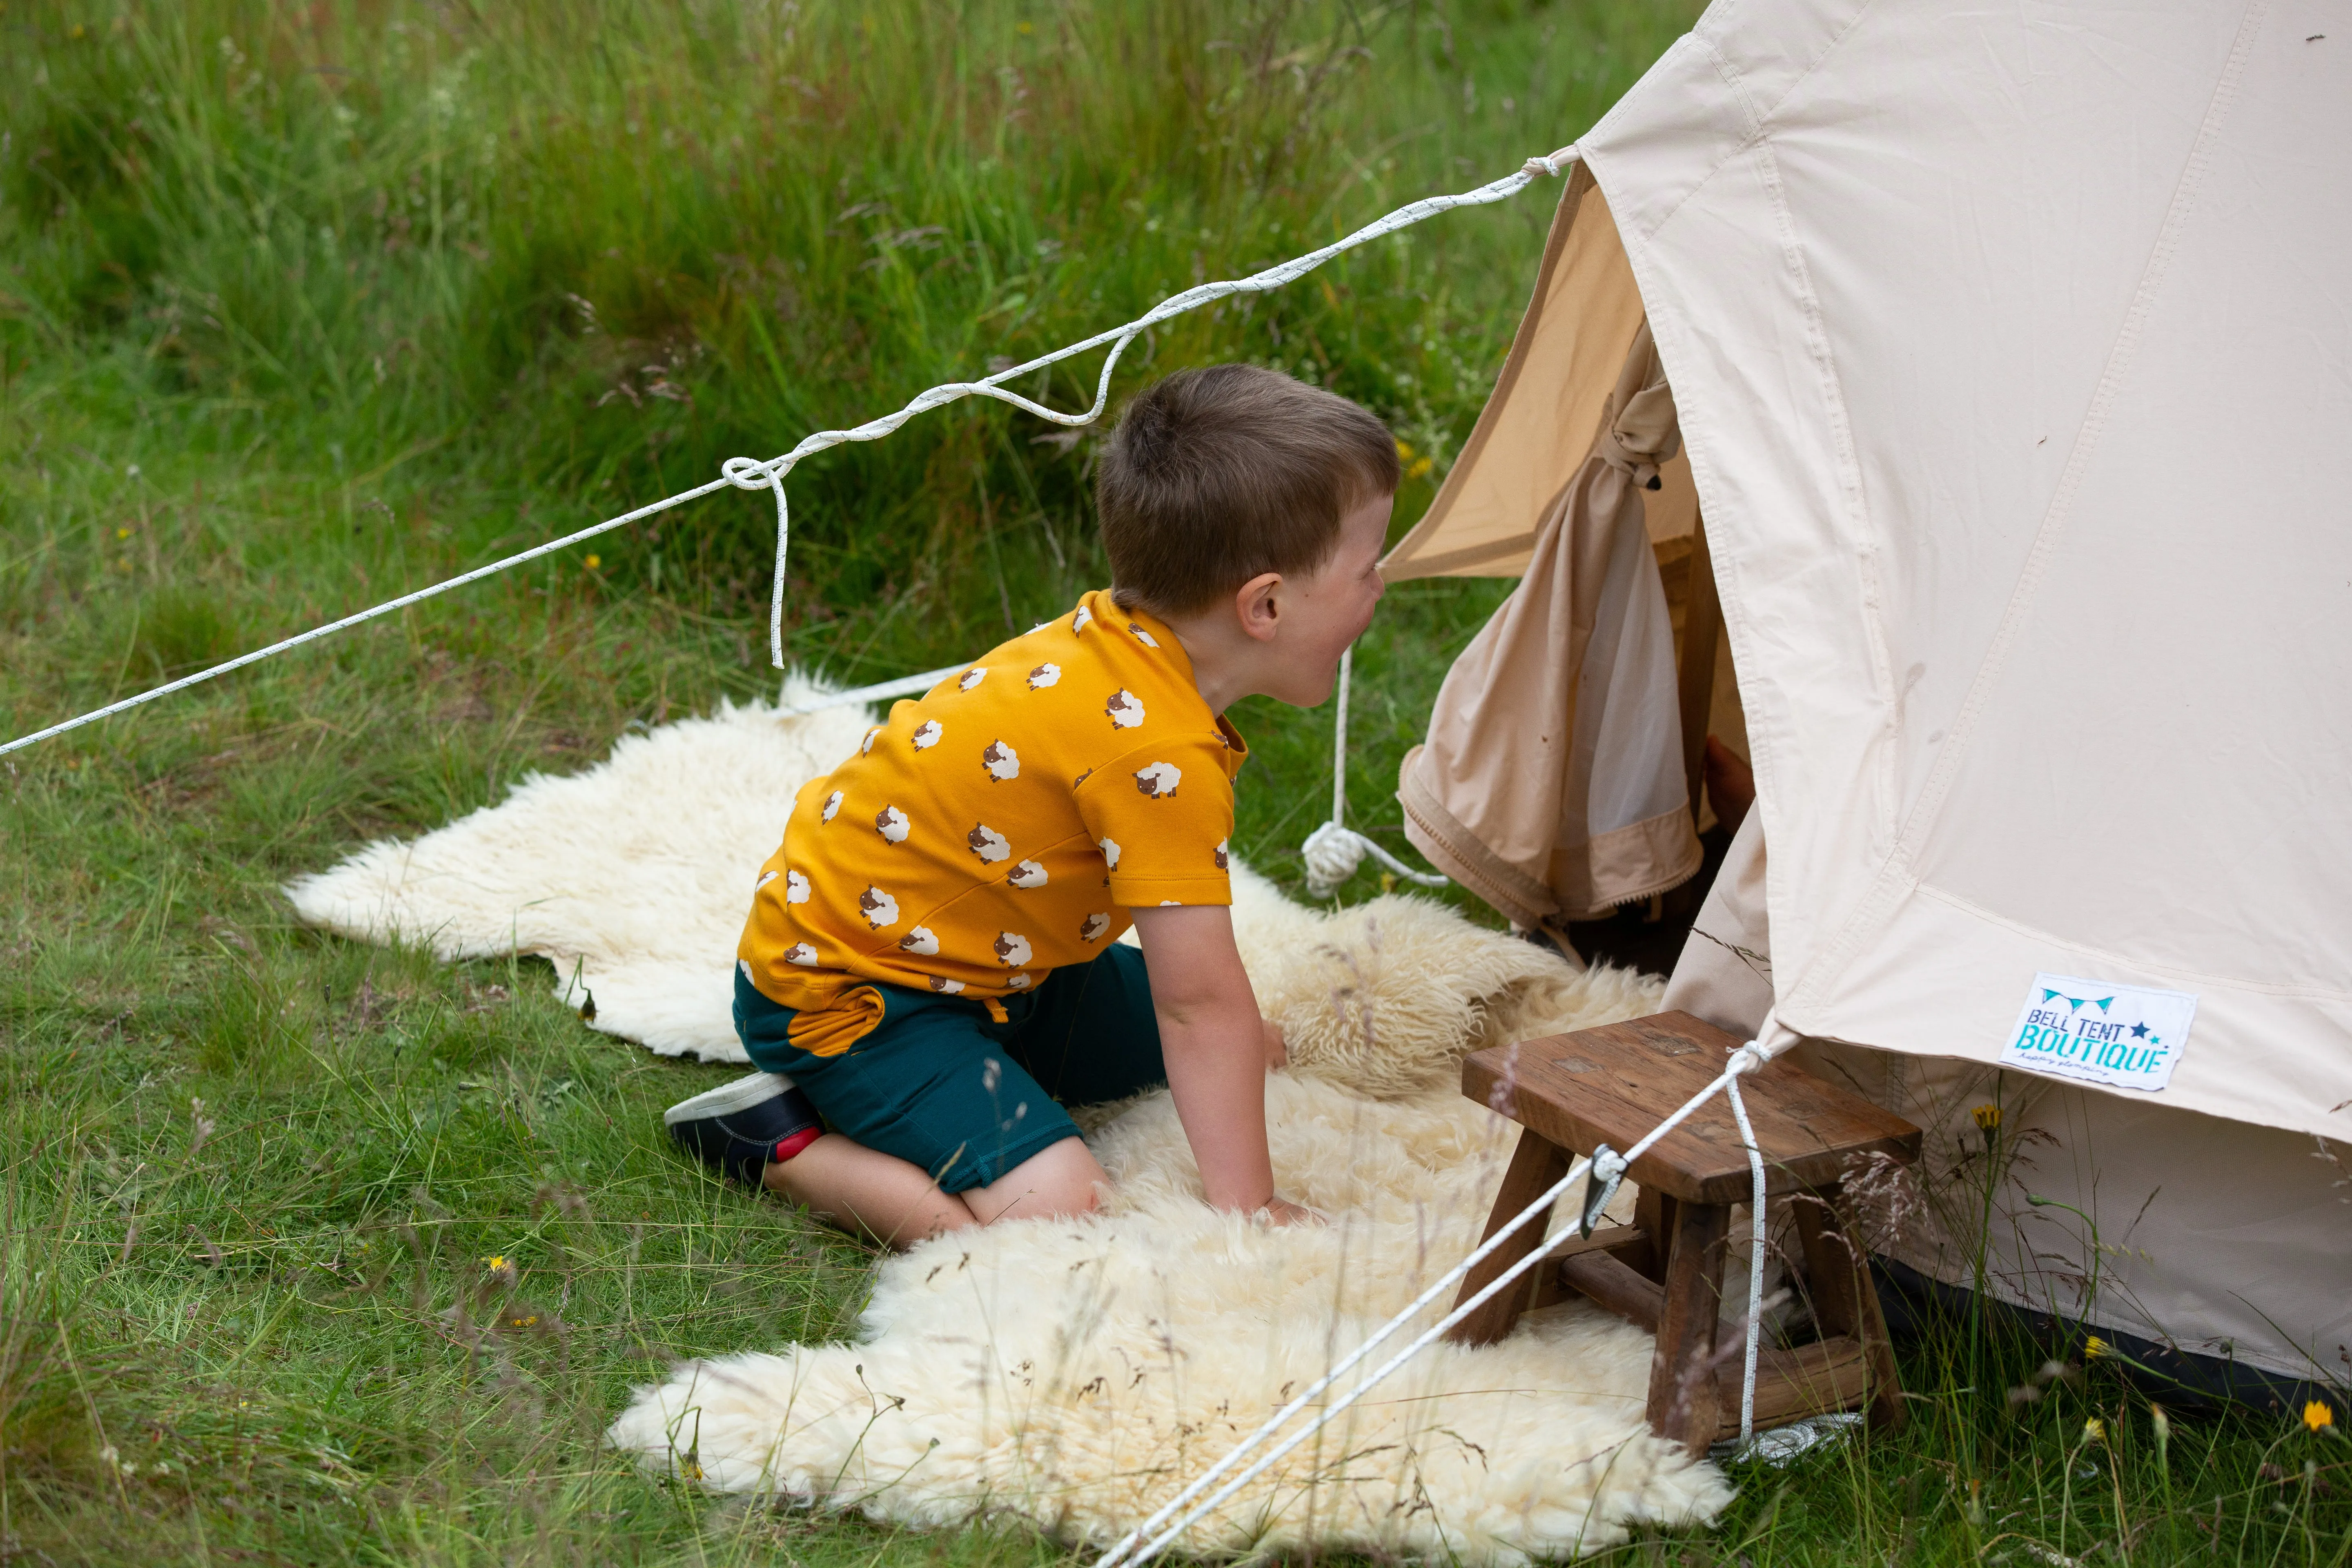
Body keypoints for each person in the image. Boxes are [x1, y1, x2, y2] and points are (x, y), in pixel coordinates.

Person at [663, 364, 1399, 1247]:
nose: (1382, 588)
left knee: (1257, 1049)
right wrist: (1250, 1207)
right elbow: (1196, 1002)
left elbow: (1210, 1011)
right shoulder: (1155, 752)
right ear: (1267, 604)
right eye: (1368, 569)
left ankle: (981, 1071)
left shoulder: (1127, 641)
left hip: (1006, 974)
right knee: (1057, 1214)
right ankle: (780, 1143)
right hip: (854, 998)